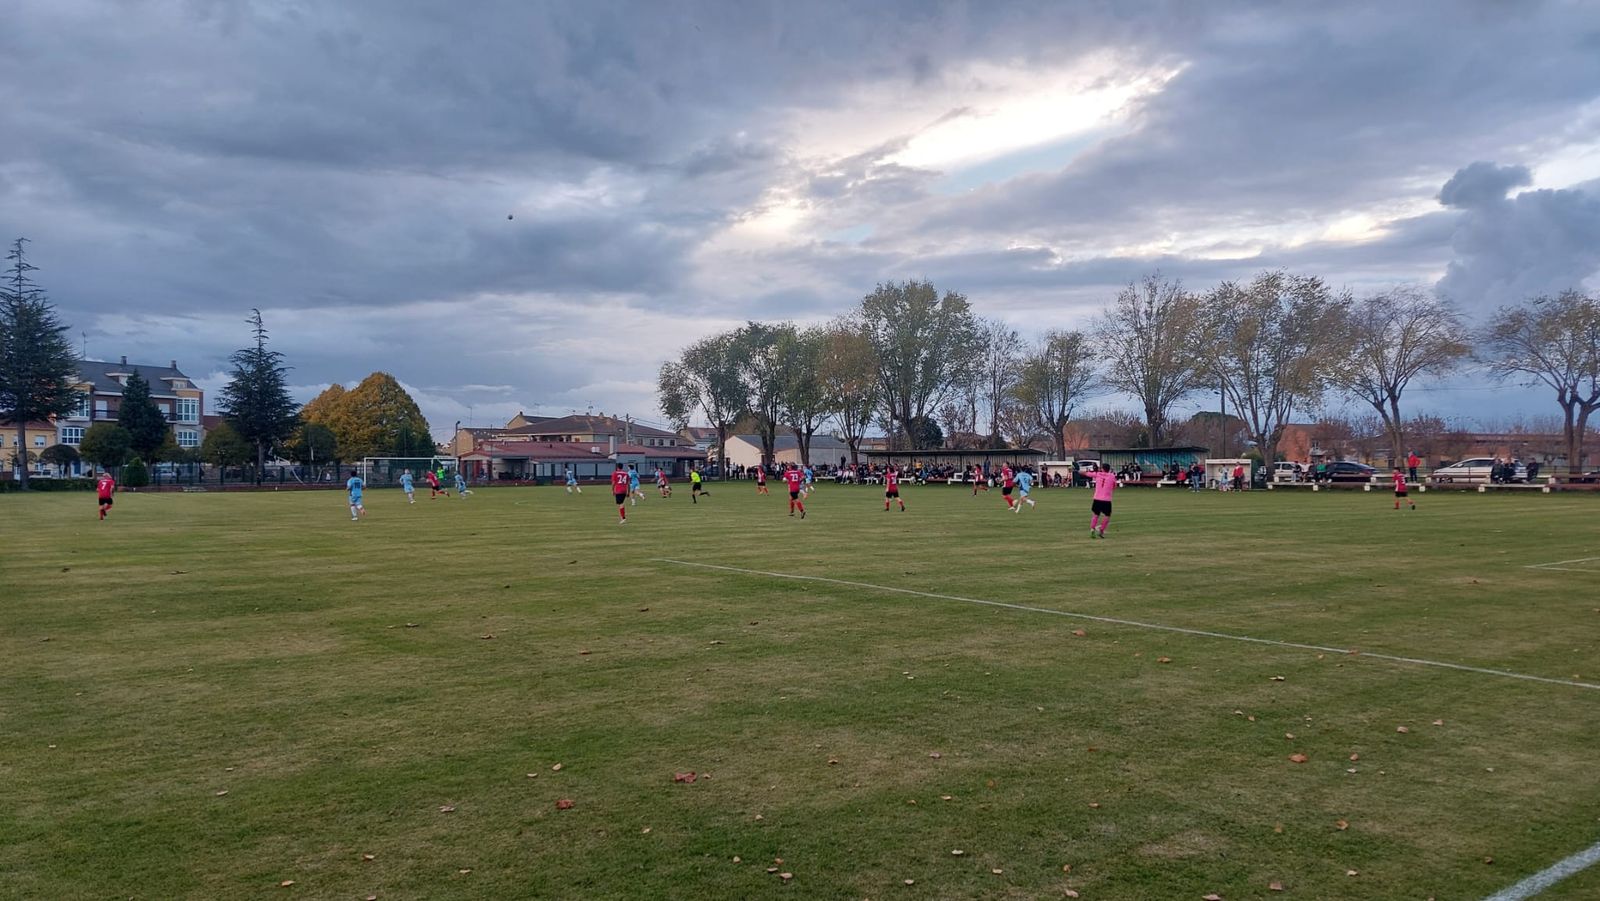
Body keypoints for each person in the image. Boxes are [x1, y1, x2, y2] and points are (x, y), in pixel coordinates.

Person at [1088, 466, 1117, 538]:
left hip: (1097, 498)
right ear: (1109, 469)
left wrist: (1077, 471)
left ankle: (1092, 529)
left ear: (1102, 469)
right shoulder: (1112, 476)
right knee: (1107, 515)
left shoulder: (1098, 474)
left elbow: (1087, 473)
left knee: (1096, 514)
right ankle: (1101, 530)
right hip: (1106, 499)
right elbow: (1114, 486)